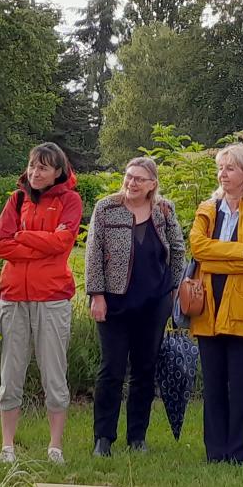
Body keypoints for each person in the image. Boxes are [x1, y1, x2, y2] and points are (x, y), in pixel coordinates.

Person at [84, 156, 182, 456]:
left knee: (145, 370)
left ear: (152, 184)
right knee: (111, 370)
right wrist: (96, 295)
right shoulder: (106, 208)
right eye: (129, 176)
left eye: (140, 178)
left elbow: (178, 249)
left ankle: (137, 437)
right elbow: (93, 253)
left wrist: (176, 290)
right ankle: (103, 438)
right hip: (114, 304)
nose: (132, 183)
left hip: (154, 303)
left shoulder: (164, 210)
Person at [0, 141, 82, 466]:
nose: (35, 172)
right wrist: (39, 245)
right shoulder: (16, 200)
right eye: (32, 165)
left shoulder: (70, 201)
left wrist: (24, 237)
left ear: (58, 171)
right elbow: (1, 244)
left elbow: (63, 243)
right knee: (11, 372)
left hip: (52, 298)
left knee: (54, 374)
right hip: (13, 297)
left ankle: (55, 447)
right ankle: (7, 447)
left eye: (43, 167)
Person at [187, 143, 243, 466]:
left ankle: (238, 453)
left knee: (239, 386)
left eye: (230, 168)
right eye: (221, 168)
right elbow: (198, 248)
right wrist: (238, 251)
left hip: (242, 307)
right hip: (207, 305)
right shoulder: (207, 208)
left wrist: (216, 255)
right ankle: (215, 452)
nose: (223, 174)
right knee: (212, 384)